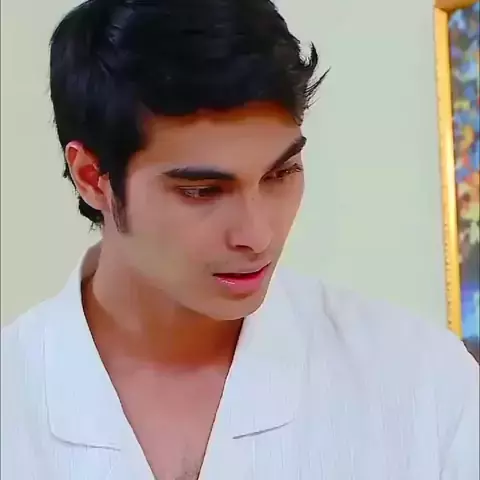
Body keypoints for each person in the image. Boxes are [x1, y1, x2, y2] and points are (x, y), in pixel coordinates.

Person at [1, 0, 478, 479]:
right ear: (92, 177)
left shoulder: (424, 383)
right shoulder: (13, 401)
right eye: (202, 191)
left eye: (281, 173)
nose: (257, 235)